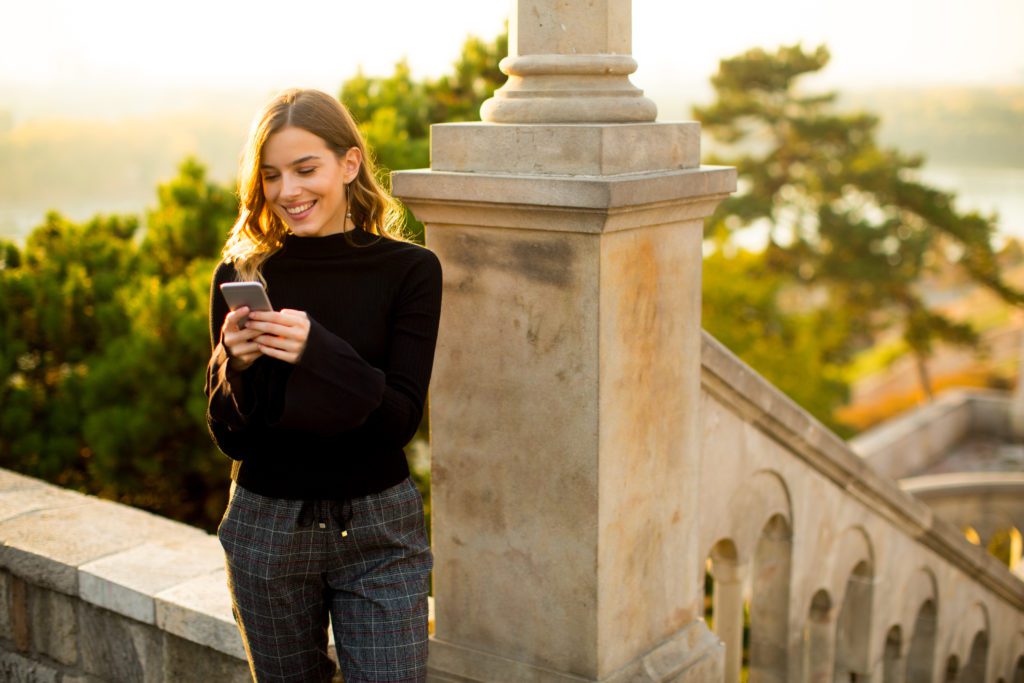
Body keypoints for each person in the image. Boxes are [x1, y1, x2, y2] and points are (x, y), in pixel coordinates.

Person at [205, 88, 441, 683]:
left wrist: (318, 350)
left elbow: (397, 421)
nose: (288, 191)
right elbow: (233, 438)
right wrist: (238, 365)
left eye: (306, 169)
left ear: (349, 164)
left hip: (379, 529)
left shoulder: (410, 271)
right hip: (266, 528)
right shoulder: (242, 273)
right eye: (271, 176)